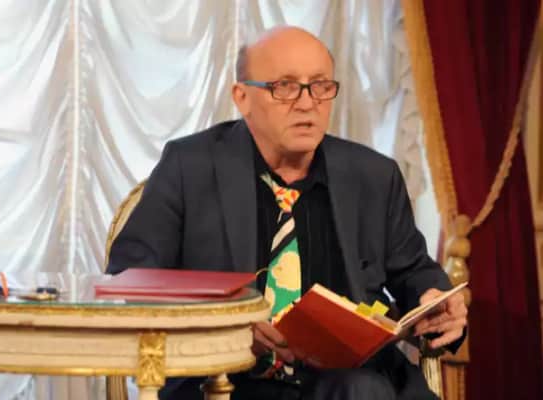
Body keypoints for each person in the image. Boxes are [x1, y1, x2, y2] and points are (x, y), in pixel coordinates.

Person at [107, 26, 467, 400]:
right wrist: (225, 329)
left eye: (320, 86)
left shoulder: (373, 176)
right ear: (242, 97)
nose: (307, 103)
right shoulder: (190, 167)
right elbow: (132, 278)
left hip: (352, 379)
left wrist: (435, 300)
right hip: (225, 381)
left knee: (360, 387)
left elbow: (414, 271)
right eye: (285, 87)